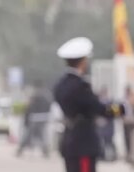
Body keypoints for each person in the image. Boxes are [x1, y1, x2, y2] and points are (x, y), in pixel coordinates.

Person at [52, 37, 123, 172]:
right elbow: (99, 108)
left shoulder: (60, 85)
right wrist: (121, 109)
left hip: (70, 140)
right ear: (83, 61)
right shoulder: (80, 86)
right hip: (83, 142)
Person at [17, 80, 52, 158]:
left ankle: (20, 149)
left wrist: (27, 117)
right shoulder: (47, 96)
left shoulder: (34, 96)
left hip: (34, 118)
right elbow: (49, 107)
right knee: (42, 135)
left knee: (28, 135)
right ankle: (45, 151)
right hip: (44, 117)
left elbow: (29, 108)